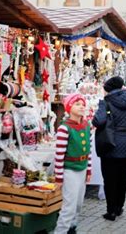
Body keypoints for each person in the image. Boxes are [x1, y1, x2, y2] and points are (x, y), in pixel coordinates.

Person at [92, 76, 126, 221]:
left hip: (110, 145)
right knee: (122, 177)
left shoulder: (106, 102)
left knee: (110, 179)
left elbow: (98, 121)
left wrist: (101, 105)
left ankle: (111, 211)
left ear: (107, 90)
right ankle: (119, 207)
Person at [54, 93, 92, 234]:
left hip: (82, 169)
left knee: (78, 203)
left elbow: (89, 149)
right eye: (77, 104)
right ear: (69, 108)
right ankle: (60, 231)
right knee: (69, 205)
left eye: (82, 104)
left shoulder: (86, 126)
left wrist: (88, 169)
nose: (81, 107)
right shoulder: (65, 128)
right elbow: (59, 155)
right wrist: (59, 176)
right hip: (69, 170)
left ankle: (72, 227)